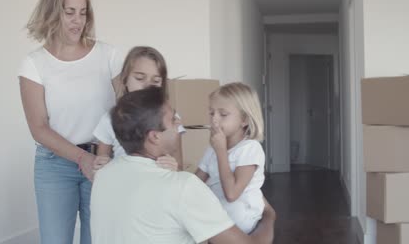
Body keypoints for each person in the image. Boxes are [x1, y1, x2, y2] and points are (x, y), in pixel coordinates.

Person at [90, 87, 275, 244]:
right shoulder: (183, 186)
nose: (179, 122)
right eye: (173, 119)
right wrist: (269, 216)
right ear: (154, 136)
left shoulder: (103, 176)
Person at [18, 0, 121, 243]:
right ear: (53, 13)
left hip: (103, 161)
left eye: (83, 12)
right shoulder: (34, 64)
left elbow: (129, 108)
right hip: (54, 164)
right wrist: (81, 159)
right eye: (69, 12)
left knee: (98, 239)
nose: (78, 21)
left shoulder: (108, 56)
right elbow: (39, 128)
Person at [92, 46, 184, 171]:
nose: (147, 86)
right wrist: (101, 164)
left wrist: (174, 167)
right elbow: (101, 159)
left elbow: (179, 166)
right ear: (124, 78)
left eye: (156, 81)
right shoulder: (111, 118)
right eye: (140, 78)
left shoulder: (171, 118)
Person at [195, 82, 266, 233]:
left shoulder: (250, 149)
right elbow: (195, 183)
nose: (214, 119)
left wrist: (221, 152)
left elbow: (232, 194)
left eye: (223, 114)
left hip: (241, 217)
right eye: (211, 113)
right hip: (219, 211)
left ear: (244, 120)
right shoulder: (212, 149)